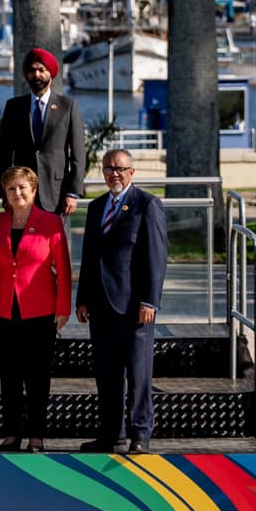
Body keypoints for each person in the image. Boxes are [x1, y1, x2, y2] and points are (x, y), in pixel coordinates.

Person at [76, 148, 168, 455]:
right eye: (107, 169)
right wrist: (83, 298)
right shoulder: (97, 207)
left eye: (119, 169)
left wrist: (150, 301)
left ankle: (139, 433)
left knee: (138, 374)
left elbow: (156, 256)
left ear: (131, 172)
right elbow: (89, 256)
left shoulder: (147, 205)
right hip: (101, 306)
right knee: (107, 374)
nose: (113, 174)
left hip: (133, 306)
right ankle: (109, 434)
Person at [0, 164, 71, 453]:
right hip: (4, 310)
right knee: (9, 375)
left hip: (40, 309)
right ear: (4, 193)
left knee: (37, 376)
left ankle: (36, 435)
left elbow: (64, 269)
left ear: (33, 191)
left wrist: (63, 307)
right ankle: (11, 434)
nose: (17, 193)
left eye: (22, 187)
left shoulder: (50, 222)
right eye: (11, 188)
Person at [0, 47, 86, 218]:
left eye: (41, 70)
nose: (36, 75)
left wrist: (73, 193)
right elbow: (4, 153)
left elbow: (78, 154)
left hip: (56, 193)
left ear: (51, 74)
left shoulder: (68, 106)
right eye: (32, 70)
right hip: (20, 193)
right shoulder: (14, 107)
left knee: (51, 243)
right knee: (22, 243)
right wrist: (5, 190)